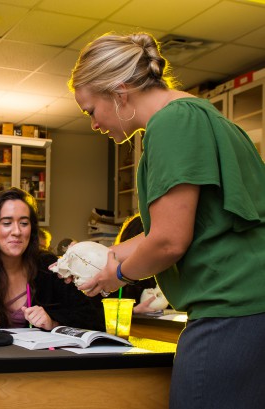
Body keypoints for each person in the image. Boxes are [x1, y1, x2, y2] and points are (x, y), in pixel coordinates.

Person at [69, 32, 265, 408]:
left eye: (91, 110)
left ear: (119, 91)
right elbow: (190, 228)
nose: (93, 124)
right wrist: (107, 255)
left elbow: (169, 241)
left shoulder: (172, 125)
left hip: (230, 311)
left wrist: (119, 276)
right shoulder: (199, 115)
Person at [0, 188, 103, 331]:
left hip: (40, 357)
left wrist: (53, 322)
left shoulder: (49, 266)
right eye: (6, 223)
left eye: (24, 223)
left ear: (32, 230)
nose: (17, 231)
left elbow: (92, 317)